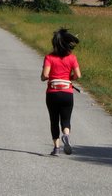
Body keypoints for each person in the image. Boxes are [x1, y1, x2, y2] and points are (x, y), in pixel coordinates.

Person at [41, 28, 81, 156]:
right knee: (66, 119)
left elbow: (45, 75)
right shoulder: (72, 58)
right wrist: (69, 78)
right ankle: (66, 135)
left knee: (54, 120)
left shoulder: (49, 57)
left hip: (52, 93)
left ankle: (56, 148)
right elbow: (78, 75)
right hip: (67, 93)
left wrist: (45, 77)